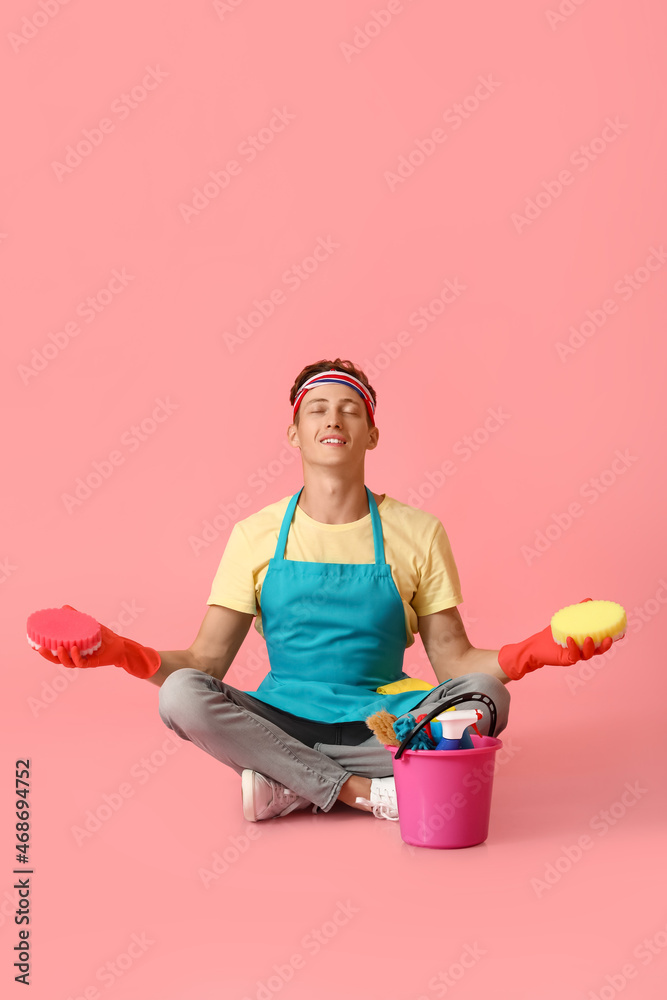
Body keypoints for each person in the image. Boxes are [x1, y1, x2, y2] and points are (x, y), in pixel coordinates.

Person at [36, 358, 613, 822]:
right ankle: (362, 791)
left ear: (371, 433)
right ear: (295, 432)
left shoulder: (419, 532)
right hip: (281, 717)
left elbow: (455, 662)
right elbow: (204, 662)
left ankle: (288, 782)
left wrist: (541, 649)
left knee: (489, 698)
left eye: (349, 410)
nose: (333, 419)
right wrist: (116, 652)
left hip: (385, 722)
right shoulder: (254, 536)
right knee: (181, 695)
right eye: (317, 409)